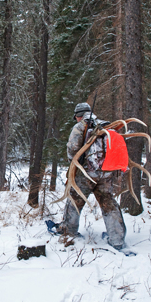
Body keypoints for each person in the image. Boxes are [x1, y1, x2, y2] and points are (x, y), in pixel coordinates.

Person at [55, 102, 127, 250]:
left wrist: (75, 164)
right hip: (106, 173)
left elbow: (72, 149)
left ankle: (69, 231)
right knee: (109, 203)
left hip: (86, 174)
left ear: (79, 116)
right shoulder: (105, 126)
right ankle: (117, 239)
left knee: (75, 201)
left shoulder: (80, 126)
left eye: (76, 117)